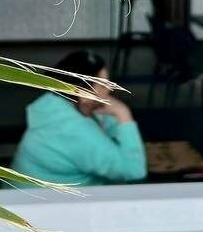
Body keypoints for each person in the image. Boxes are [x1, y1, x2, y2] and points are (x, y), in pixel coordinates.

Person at [11, 50, 147, 186]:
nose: (110, 89)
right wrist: (123, 113)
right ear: (82, 92)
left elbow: (108, 130)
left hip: (25, 189)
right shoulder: (75, 131)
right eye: (103, 85)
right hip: (47, 198)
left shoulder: (54, 102)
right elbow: (134, 171)